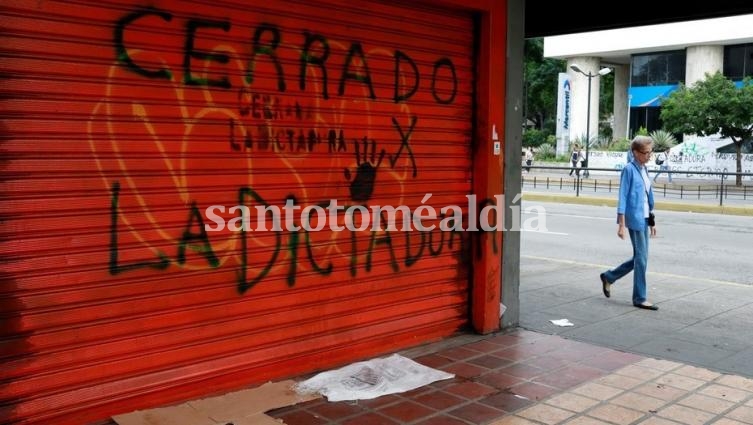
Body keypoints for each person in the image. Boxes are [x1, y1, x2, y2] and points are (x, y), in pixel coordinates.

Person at [600, 135, 658, 310]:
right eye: (646, 152)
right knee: (641, 259)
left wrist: (653, 221)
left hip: (646, 217)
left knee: (641, 257)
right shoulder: (629, 170)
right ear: (635, 152)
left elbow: (647, 198)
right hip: (635, 218)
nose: (649, 155)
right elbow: (623, 197)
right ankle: (639, 297)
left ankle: (609, 276)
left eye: (650, 152)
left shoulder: (644, 170)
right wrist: (620, 224)